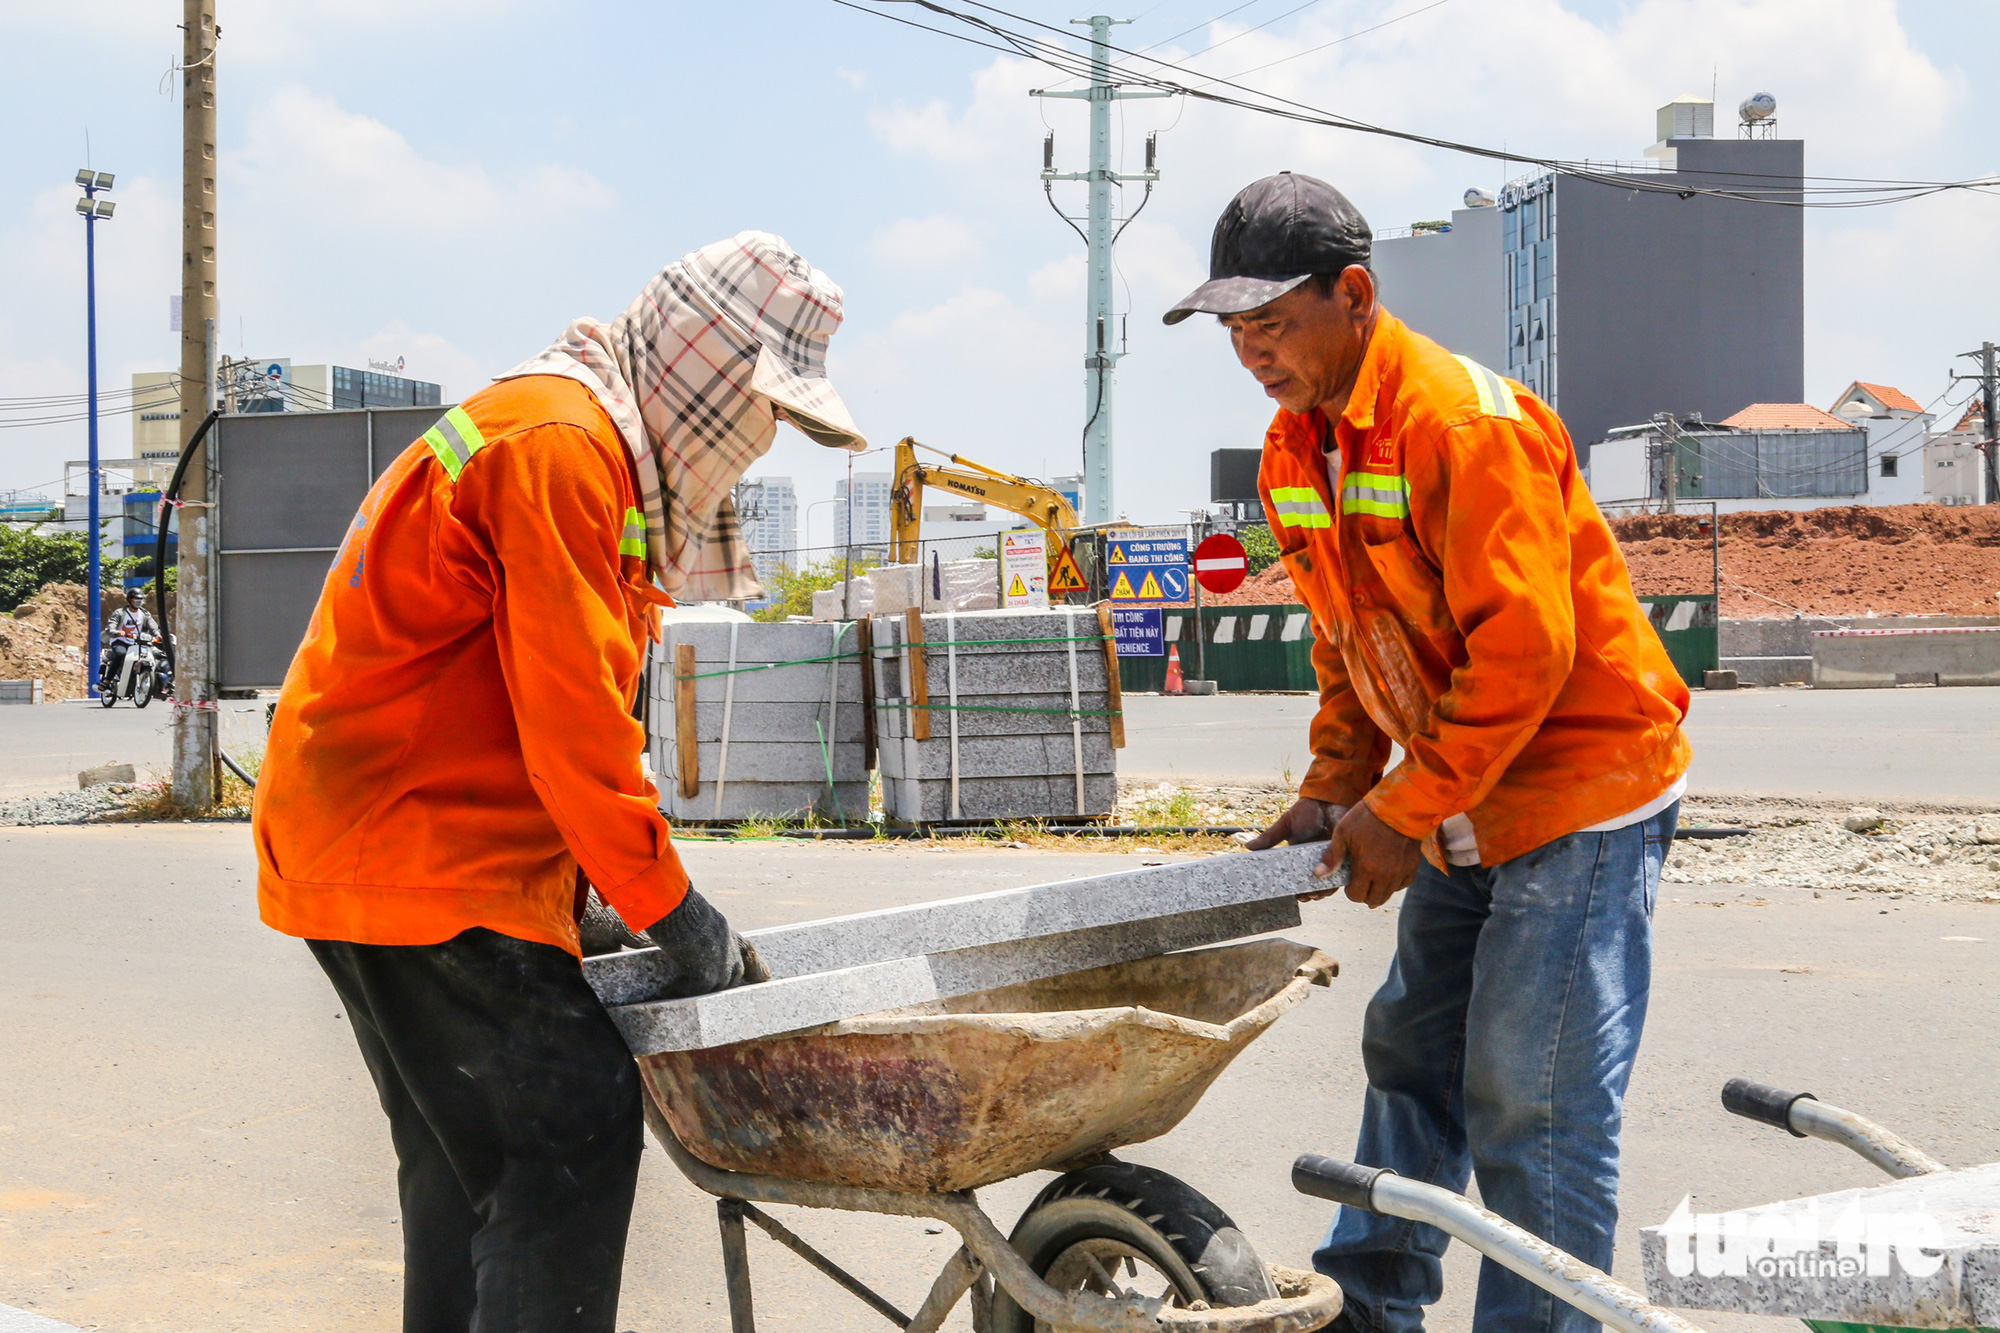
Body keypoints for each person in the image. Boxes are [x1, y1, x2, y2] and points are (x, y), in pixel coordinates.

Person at [252, 232, 868, 1333]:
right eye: (765, 405)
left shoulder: (569, 433)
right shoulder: (560, 446)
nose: (763, 438)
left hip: (375, 828)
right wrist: (672, 909)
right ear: (707, 361)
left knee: (468, 1168)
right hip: (417, 847)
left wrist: (586, 886)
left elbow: (528, 688)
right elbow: (573, 715)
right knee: (568, 1125)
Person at [1166, 174, 1690, 1333]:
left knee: (1528, 1091)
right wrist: (1331, 791)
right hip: (1459, 785)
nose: (1250, 349)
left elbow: (1523, 654)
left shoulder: (1462, 423)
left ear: (1353, 295)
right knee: (1408, 1050)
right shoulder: (1293, 451)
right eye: (1232, 328)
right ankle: (1365, 1308)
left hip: (1574, 791)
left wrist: (1402, 813)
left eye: (1271, 320)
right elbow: (1348, 643)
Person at [100, 587, 159, 691]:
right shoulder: (120, 613)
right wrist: (117, 632)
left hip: (138, 642)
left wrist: (158, 635)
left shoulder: (145, 614)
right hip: (120, 641)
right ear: (130, 600)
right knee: (121, 654)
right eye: (136, 599)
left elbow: (153, 627)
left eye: (141, 599)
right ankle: (107, 681)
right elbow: (111, 627)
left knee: (152, 655)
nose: (139, 601)